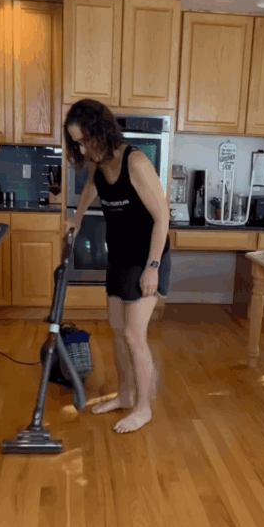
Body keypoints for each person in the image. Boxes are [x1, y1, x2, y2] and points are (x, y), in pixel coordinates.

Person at [64, 99, 172, 434]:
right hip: (121, 256)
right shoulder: (99, 164)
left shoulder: (135, 162)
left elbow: (162, 217)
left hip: (148, 257)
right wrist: (77, 218)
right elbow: (90, 188)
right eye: (76, 142)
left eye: (84, 140)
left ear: (101, 132)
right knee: (115, 329)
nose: (81, 148)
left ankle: (143, 408)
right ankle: (125, 396)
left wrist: (153, 267)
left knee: (133, 334)